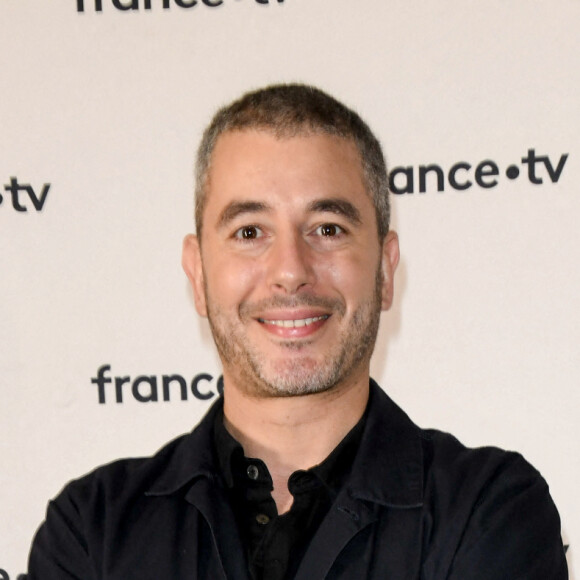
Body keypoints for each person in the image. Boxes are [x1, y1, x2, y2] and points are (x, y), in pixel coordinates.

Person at [27, 84, 568, 579]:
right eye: (250, 231)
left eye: (327, 229)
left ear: (384, 269)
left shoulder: (488, 510)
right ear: (198, 274)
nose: (290, 269)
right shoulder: (93, 530)